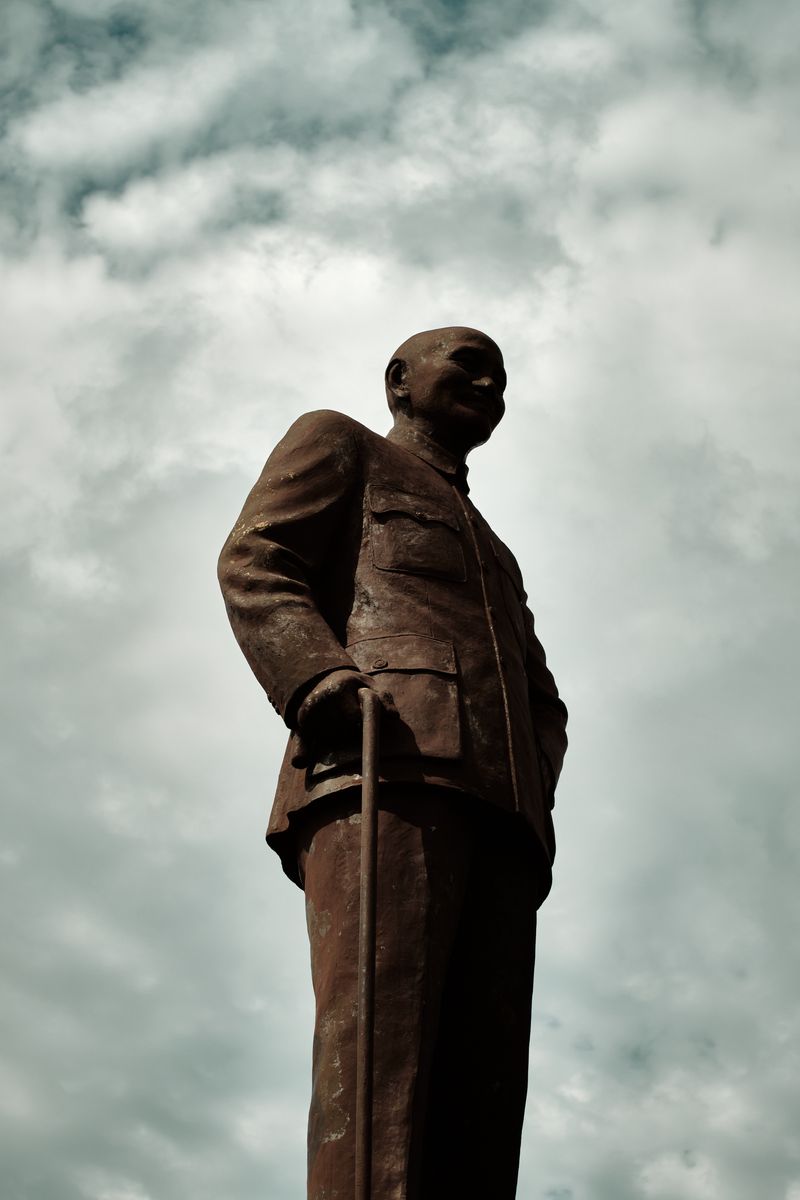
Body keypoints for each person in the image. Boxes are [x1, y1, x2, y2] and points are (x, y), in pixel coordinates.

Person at [218, 326, 568, 1200]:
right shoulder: (340, 442)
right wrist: (316, 675)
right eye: (467, 362)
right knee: (380, 1067)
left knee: (484, 1099)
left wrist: (531, 782)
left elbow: (542, 698)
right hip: (383, 769)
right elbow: (257, 560)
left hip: (505, 816)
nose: (488, 381)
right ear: (399, 381)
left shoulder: (497, 553)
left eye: (500, 374)